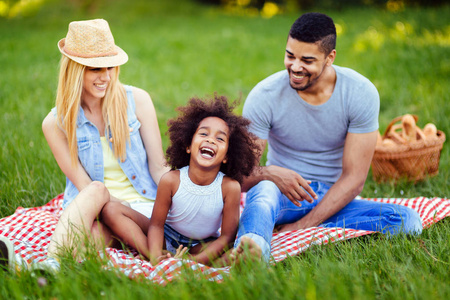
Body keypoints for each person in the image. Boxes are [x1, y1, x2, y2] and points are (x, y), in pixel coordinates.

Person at [231, 12, 423, 263]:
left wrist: (303, 226)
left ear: (330, 58)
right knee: (263, 188)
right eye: (290, 56)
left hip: (335, 198)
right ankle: (253, 251)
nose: (295, 67)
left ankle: (309, 226)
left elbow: (354, 179)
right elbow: (243, 176)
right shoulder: (264, 96)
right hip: (280, 196)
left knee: (409, 222)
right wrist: (270, 173)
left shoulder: (360, 93)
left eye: (307, 60)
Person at [16, 19, 169, 272]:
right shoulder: (55, 123)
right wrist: (113, 205)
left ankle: (47, 263)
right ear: (75, 70)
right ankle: (47, 266)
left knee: (96, 225)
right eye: (95, 69)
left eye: (110, 67)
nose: (106, 77)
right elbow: (83, 185)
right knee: (94, 207)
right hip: (94, 207)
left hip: (142, 207)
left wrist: (188, 193)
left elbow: (159, 168)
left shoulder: (138, 101)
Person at [101, 95, 260, 266]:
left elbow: (227, 237)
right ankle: (156, 258)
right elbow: (156, 225)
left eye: (220, 138)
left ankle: (201, 263)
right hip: (166, 236)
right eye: (204, 133)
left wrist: (192, 260)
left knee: (227, 249)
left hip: (200, 244)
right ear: (188, 145)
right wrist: (155, 253)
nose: (210, 139)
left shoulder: (230, 188)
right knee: (111, 210)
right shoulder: (171, 180)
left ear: (227, 156)